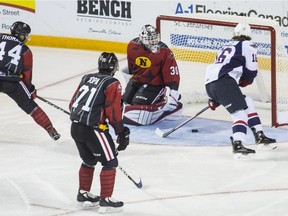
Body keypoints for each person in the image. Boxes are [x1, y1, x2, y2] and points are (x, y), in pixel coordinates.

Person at [69, 52, 130, 213]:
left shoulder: (87, 78)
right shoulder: (112, 83)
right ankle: (106, 201)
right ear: (114, 67)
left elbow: (72, 104)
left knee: (88, 161)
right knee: (110, 163)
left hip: (76, 128)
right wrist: (121, 132)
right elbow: (113, 112)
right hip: (94, 130)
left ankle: (83, 194)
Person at [205, 23, 276, 158]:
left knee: (247, 101)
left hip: (211, 84)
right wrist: (246, 80)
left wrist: (214, 97)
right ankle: (238, 145)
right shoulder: (248, 45)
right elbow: (251, 70)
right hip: (224, 83)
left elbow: (218, 70)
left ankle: (260, 136)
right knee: (239, 114)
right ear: (249, 34)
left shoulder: (224, 46)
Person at [0, 21, 60, 140]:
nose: (26, 38)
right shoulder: (26, 50)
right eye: (25, 35)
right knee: (30, 106)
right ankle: (50, 129)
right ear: (20, 35)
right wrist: (30, 89)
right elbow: (27, 73)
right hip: (11, 82)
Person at [121, 24, 182, 126]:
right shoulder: (132, 46)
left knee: (136, 105)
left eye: (154, 39)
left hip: (155, 85)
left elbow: (172, 71)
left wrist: (174, 91)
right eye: (149, 39)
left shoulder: (164, 51)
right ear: (142, 39)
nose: (153, 42)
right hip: (137, 81)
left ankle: (163, 104)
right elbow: (132, 66)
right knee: (124, 102)